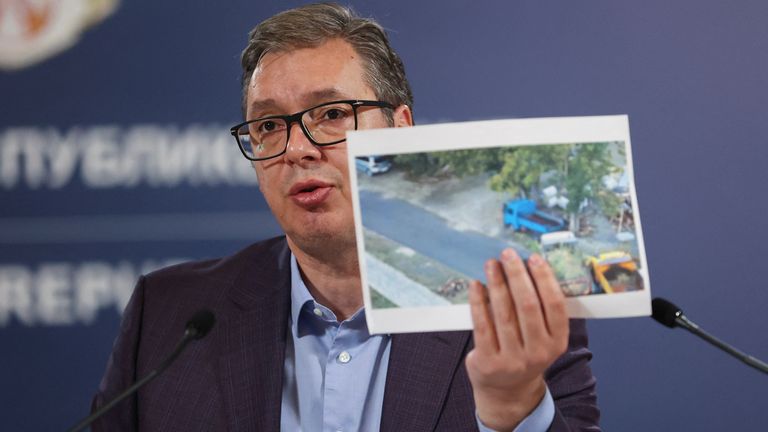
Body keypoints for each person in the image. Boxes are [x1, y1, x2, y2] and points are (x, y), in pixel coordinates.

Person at [92, 3, 599, 431]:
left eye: (331, 114)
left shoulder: (513, 307)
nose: (296, 149)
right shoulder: (168, 315)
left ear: (400, 130)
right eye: (268, 125)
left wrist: (511, 408)